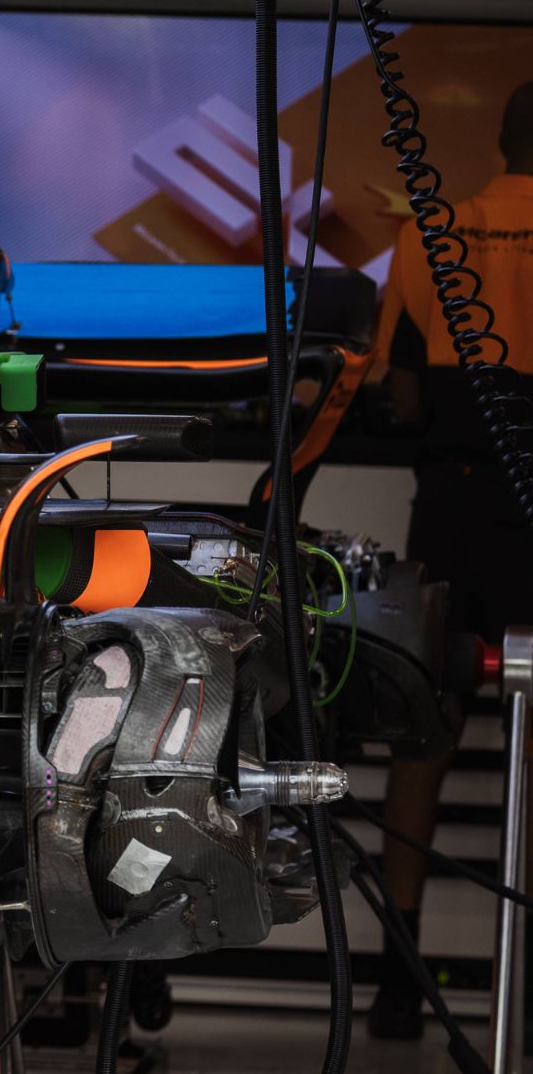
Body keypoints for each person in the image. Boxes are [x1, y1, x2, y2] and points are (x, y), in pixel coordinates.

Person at [366, 79, 533, 1039]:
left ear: (503, 142)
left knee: (422, 736)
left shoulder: (436, 229)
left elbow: (407, 392)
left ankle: (398, 978)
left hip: (456, 505)